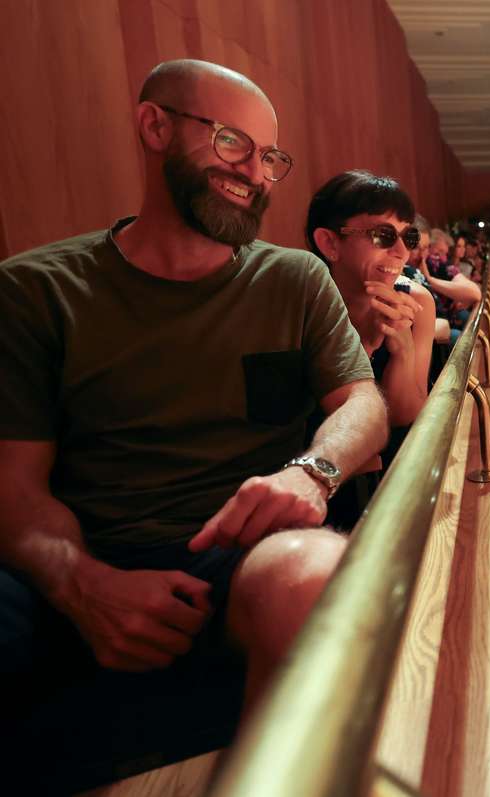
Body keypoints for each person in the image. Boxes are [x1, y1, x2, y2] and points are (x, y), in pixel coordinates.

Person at [0, 58, 387, 762]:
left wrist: (311, 471)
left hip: (239, 558)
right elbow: (16, 488)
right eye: (233, 143)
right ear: (155, 126)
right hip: (87, 556)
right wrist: (83, 584)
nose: (258, 174)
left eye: (271, 157)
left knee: (315, 575)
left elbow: (364, 404)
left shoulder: (294, 279)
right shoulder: (35, 291)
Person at [305, 170, 436, 525]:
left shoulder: (417, 303)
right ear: (330, 244)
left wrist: (402, 351)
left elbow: (407, 415)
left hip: (392, 481)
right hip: (318, 478)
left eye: (408, 236)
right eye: (383, 235)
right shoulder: (303, 303)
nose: (401, 251)